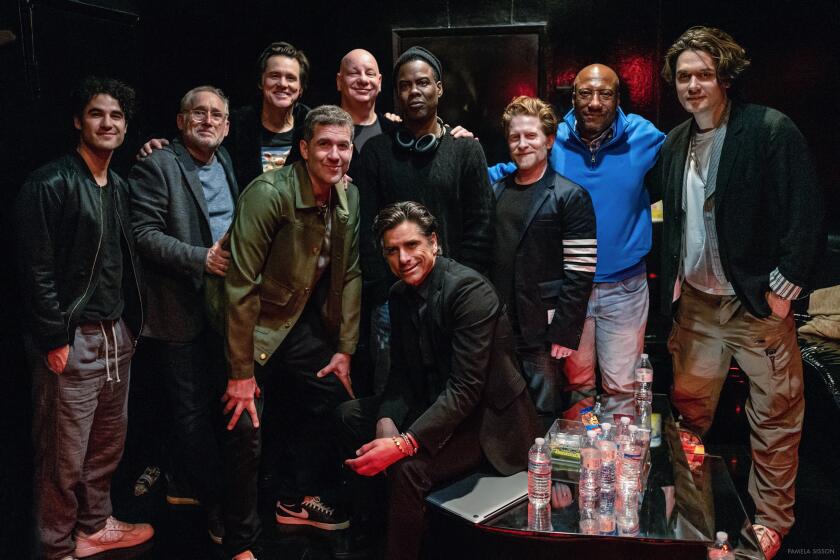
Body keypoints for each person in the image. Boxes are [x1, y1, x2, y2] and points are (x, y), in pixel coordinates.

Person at [649, 26, 824, 560]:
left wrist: (784, 289)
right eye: (683, 76)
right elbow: (672, 218)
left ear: (725, 76)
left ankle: (770, 524)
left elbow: (806, 211)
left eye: (703, 74)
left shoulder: (769, 129)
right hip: (697, 308)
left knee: (774, 418)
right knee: (688, 420)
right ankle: (697, 525)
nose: (693, 85)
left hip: (756, 305)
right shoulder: (676, 140)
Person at [341, 201, 538, 560]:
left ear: (434, 242)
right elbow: (400, 376)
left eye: (412, 245)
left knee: (407, 468)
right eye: (392, 251)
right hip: (435, 402)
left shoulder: (469, 292)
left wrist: (402, 445)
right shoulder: (399, 295)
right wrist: (386, 427)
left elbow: (466, 389)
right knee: (350, 415)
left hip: (487, 423)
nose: (403, 258)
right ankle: (367, 534)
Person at [213, 105, 361, 560]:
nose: (335, 155)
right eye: (324, 144)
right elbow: (239, 286)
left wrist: (344, 349)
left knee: (331, 399)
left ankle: (294, 500)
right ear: (303, 148)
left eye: (343, 145)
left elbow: (350, 273)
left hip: (295, 325)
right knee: (246, 427)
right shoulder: (268, 193)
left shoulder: (347, 196)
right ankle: (240, 541)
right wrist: (240, 372)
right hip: (249, 326)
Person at [15, 76, 153, 560]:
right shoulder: (49, 182)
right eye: (98, 113)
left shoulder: (117, 184)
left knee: (104, 447)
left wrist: (130, 326)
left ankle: (94, 527)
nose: (108, 123)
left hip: (116, 335)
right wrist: (55, 336)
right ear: (79, 120)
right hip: (71, 340)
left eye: (117, 116)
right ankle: (55, 548)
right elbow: (36, 269)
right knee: (62, 455)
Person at [490, 64, 664, 416]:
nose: (595, 102)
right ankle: (583, 467)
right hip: (570, 292)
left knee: (623, 386)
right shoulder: (555, 138)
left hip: (624, 287)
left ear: (618, 99)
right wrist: (455, 145)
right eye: (585, 93)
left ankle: (619, 468)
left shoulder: (645, 137)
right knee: (576, 384)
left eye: (605, 94)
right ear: (573, 98)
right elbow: (509, 170)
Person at [129, 85, 239, 543]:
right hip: (180, 313)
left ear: (228, 126)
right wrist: (201, 258)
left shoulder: (226, 161)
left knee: (220, 407)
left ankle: (200, 484)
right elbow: (142, 233)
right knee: (191, 412)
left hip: (226, 310)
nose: (208, 120)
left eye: (216, 114)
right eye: (199, 112)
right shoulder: (158, 164)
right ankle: (215, 504)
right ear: (180, 121)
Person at [358, 45, 494, 393]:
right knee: (394, 394)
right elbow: (366, 232)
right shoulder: (376, 152)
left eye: (422, 83)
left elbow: (481, 226)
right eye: (404, 85)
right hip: (393, 302)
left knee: (454, 393)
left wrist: (460, 290)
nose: (413, 92)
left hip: (452, 300)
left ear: (439, 88)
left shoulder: (466, 150)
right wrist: (385, 294)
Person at [490, 95, 597, 429]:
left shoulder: (570, 195)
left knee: (544, 411)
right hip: (502, 324)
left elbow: (580, 271)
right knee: (506, 408)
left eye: (531, 136)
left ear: (549, 140)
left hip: (544, 328)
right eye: (515, 137)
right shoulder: (496, 192)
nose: (523, 144)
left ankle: (545, 478)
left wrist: (565, 332)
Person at [139, 41, 311, 188]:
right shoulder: (235, 123)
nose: (282, 84)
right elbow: (195, 142)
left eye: (290, 78)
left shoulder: (311, 126)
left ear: (301, 88)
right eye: (274, 76)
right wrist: (163, 146)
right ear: (261, 82)